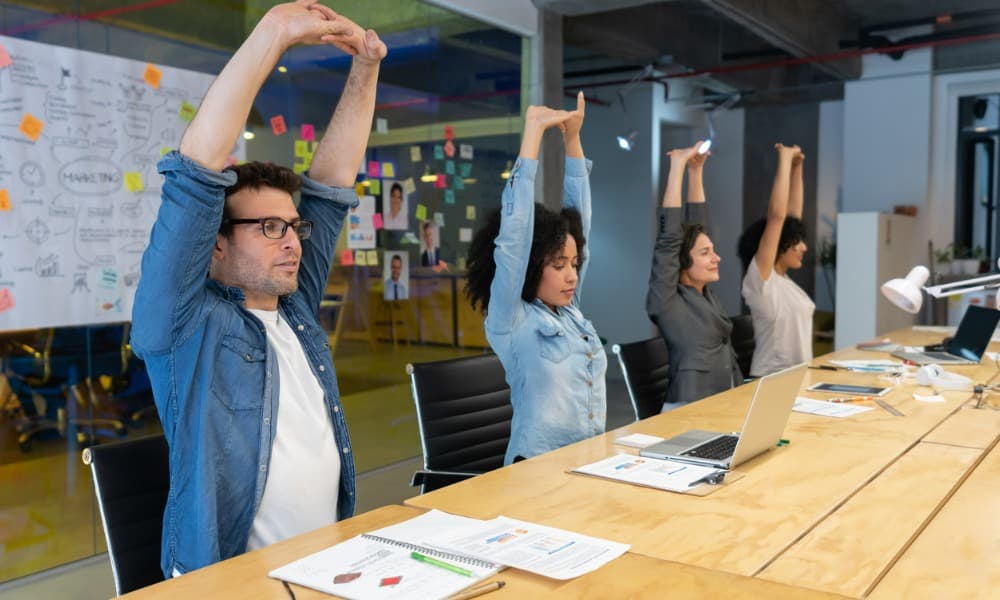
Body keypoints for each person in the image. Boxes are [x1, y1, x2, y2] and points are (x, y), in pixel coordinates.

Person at [130, 1, 386, 576]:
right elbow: (194, 175)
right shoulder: (183, 326)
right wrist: (272, 35)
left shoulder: (292, 309)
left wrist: (366, 69)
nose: (292, 241)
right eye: (269, 228)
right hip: (232, 580)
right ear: (215, 243)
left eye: (293, 227)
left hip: (328, 566)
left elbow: (331, 187)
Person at [465, 92, 606, 465]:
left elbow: (582, 221)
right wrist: (532, 135)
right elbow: (514, 240)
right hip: (536, 472)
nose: (572, 275)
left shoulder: (570, 311)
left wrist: (572, 139)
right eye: (559, 265)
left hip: (587, 464)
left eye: (574, 264)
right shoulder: (512, 319)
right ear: (531, 267)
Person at [646, 142, 742, 409]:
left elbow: (699, 227)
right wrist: (677, 166)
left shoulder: (704, 295)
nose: (717, 258)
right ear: (683, 262)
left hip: (723, 401)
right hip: (688, 411)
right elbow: (669, 240)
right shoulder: (666, 300)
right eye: (706, 253)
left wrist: (696, 173)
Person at [738, 144, 814, 376]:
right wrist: (783, 159)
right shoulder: (761, 282)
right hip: (769, 380)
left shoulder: (784, 282)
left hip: (796, 377)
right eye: (796, 242)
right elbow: (778, 217)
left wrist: (798, 166)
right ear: (778, 246)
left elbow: (791, 218)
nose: (804, 247)